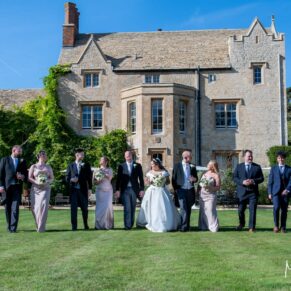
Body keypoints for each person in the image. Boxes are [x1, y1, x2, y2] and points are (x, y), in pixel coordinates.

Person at [137, 158, 180, 232]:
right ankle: (151, 221)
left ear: (157, 164)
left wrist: (161, 181)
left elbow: (168, 182)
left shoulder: (164, 172)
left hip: (161, 191)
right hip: (152, 192)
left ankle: (164, 223)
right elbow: (146, 183)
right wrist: (149, 181)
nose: (152, 166)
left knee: (162, 207)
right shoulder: (149, 172)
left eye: (153, 164)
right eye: (151, 164)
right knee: (151, 207)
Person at [233, 149, 264, 232]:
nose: (250, 157)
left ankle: (251, 227)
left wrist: (253, 181)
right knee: (240, 210)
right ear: (244, 157)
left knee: (252, 210)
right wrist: (242, 182)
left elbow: (261, 178)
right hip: (242, 192)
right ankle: (241, 224)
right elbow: (235, 178)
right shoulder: (239, 166)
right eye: (248, 156)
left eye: (251, 156)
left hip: (253, 192)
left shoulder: (257, 167)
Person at [0, 145, 28, 233]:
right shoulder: (4, 159)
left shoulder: (22, 161)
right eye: (19, 151)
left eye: (21, 152)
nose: (20, 153)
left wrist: (22, 176)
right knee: (7, 208)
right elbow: (0, 174)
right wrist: (1, 186)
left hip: (17, 187)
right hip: (6, 188)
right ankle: (9, 226)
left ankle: (13, 228)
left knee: (15, 208)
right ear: (13, 150)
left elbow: (26, 175)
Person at [115, 151, 144, 230]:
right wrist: (117, 190)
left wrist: (142, 189)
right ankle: (127, 226)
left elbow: (141, 178)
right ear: (125, 157)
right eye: (127, 156)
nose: (128, 157)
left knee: (133, 207)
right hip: (125, 189)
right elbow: (118, 179)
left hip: (134, 189)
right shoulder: (121, 166)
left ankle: (130, 224)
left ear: (132, 156)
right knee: (127, 207)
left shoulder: (137, 165)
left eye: (129, 155)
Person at [66, 148, 92, 231]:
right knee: (73, 209)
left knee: (85, 209)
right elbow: (66, 178)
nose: (83, 156)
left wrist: (90, 189)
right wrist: (71, 179)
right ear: (77, 155)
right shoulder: (70, 165)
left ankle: (86, 225)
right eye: (82, 154)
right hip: (73, 191)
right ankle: (74, 227)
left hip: (83, 190)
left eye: (83, 154)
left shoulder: (86, 165)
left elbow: (89, 178)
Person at [172, 151, 198, 232]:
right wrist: (176, 189)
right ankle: (183, 227)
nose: (191, 158)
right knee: (183, 208)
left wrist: (194, 179)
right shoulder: (177, 166)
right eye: (190, 156)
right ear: (185, 157)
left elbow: (196, 178)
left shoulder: (193, 166)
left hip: (190, 189)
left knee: (188, 208)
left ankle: (187, 225)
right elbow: (173, 178)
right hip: (181, 190)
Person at [28, 150, 54, 232]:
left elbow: (52, 178)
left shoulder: (48, 167)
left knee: (43, 206)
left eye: (45, 155)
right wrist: (36, 182)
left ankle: (41, 227)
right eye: (43, 154)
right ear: (39, 156)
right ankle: (37, 224)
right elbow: (29, 177)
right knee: (35, 207)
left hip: (45, 188)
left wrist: (47, 182)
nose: (45, 156)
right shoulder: (33, 166)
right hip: (35, 189)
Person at [268, 151, 291, 233]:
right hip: (275, 193)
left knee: (284, 210)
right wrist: (269, 193)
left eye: (282, 158)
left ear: (284, 159)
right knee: (276, 207)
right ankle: (276, 226)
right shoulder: (273, 168)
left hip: (285, 193)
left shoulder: (289, 169)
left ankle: (283, 227)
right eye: (279, 158)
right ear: (277, 159)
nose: (280, 159)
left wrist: (287, 189)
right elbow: (270, 182)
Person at [198, 160, 220, 232]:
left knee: (210, 210)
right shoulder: (204, 174)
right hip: (203, 194)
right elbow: (200, 184)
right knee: (203, 210)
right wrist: (198, 191)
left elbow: (218, 187)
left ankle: (213, 227)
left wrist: (210, 188)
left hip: (211, 195)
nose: (207, 165)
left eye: (209, 164)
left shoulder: (216, 175)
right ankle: (203, 226)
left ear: (213, 167)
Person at [93, 156, 114, 230]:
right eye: (100, 159)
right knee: (100, 208)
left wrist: (103, 174)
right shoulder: (96, 170)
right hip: (100, 191)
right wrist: (98, 180)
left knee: (107, 207)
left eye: (102, 160)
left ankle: (107, 225)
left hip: (108, 191)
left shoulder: (110, 169)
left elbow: (110, 177)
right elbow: (94, 182)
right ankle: (99, 225)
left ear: (106, 162)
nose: (100, 161)